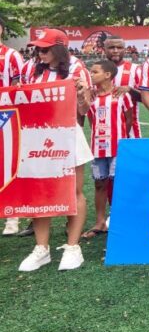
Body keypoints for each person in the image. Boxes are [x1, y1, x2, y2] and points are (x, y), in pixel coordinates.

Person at [19, 29, 93, 271]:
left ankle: (73, 247)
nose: (39, 53)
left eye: (45, 48)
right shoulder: (31, 67)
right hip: (36, 135)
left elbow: (84, 110)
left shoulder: (76, 67)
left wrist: (82, 94)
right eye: (37, 48)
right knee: (39, 191)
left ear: (60, 48)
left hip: (67, 133)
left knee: (74, 190)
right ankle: (42, 249)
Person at [83, 60, 134, 238]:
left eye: (95, 72)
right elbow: (91, 120)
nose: (91, 75)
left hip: (117, 147)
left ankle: (122, 220)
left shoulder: (121, 95)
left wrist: (120, 139)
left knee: (118, 182)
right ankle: (100, 222)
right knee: (99, 183)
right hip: (98, 147)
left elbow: (129, 119)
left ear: (107, 75)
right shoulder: (92, 97)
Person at [0, 18, 25, 236]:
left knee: (7, 163)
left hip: (5, 115)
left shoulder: (11, 56)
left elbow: (19, 87)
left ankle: (12, 216)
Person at [104, 35, 142, 138]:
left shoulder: (135, 69)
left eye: (119, 48)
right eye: (111, 47)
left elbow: (146, 98)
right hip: (104, 133)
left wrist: (130, 90)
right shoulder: (97, 71)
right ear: (104, 49)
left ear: (125, 50)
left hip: (131, 133)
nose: (115, 50)